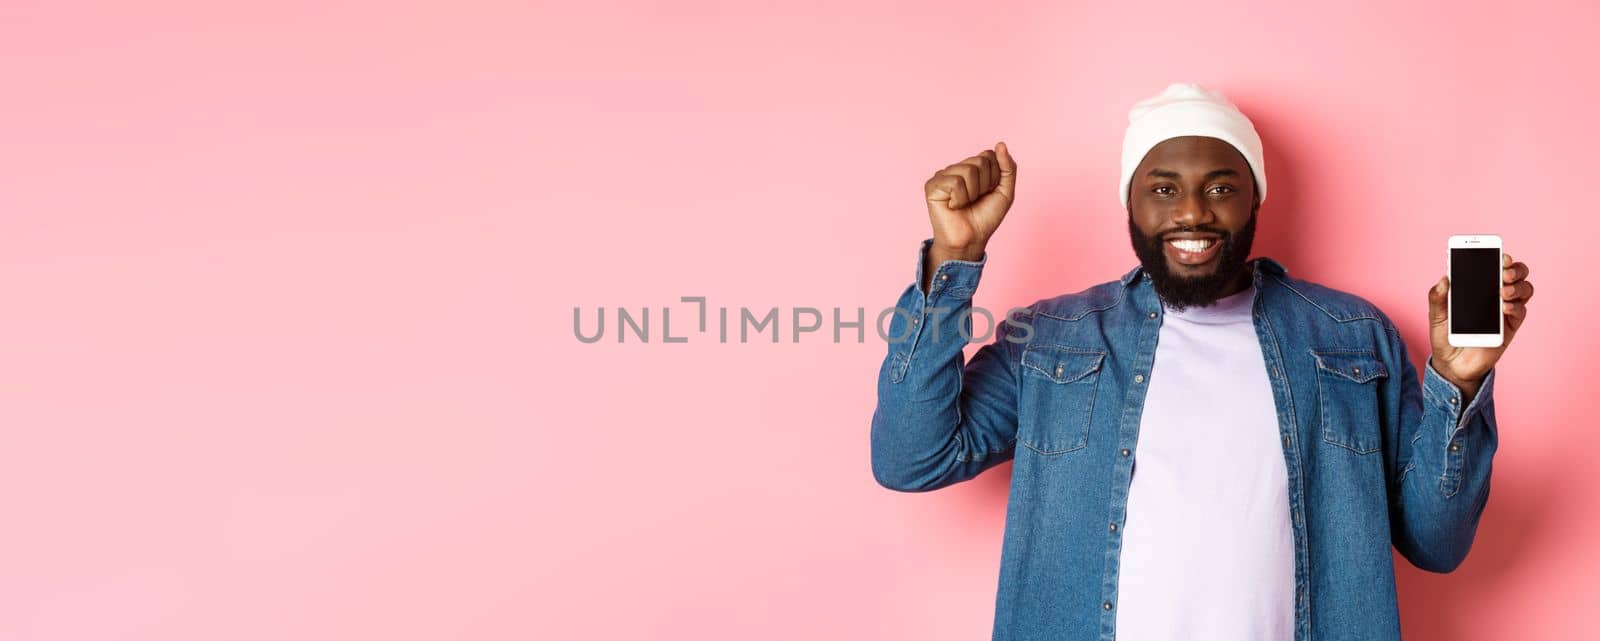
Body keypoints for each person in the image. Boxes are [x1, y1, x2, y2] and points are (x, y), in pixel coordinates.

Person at [869, 83, 1536, 641]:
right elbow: (911, 456)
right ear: (1129, 200)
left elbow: (1438, 543)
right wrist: (952, 260)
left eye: (1221, 187)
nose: (1192, 210)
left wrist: (1460, 377)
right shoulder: (1050, 338)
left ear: (1256, 198)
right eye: (1163, 189)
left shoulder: (1351, 335)